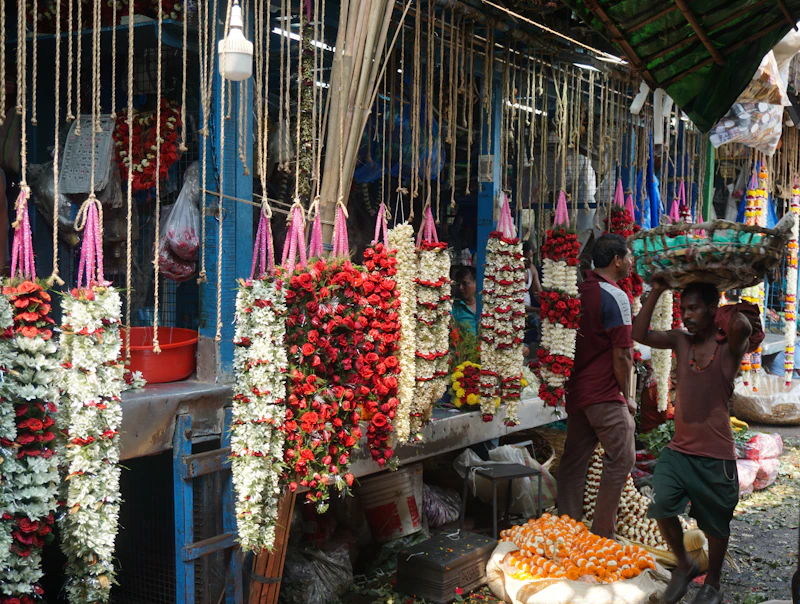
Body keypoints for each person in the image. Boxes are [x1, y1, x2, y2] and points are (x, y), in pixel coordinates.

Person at [633, 280, 762, 604]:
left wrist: (728, 300)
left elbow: (743, 326)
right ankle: (684, 564)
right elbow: (639, 333)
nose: (686, 315)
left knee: (716, 526)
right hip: (679, 451)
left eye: (694, 308)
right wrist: (658, 291)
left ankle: (712, 583)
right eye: (683, 308)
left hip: (716, 454)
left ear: (712, 310)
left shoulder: (728, 348)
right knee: (661, 503)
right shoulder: (681, 341)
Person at [557, 233, 635, 539]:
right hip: (603, 393)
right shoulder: (615, 296)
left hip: (578, 391)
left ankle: (566, 526)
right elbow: (623, 355)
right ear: (616, 261)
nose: (631, 262)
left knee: (573, 461)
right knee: (622, 456)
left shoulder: (580, 290)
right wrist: (628, 397)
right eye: (628, 257)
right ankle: (602, 534)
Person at [452, 265, 478, 336]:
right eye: (458, 284)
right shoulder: (454, 307)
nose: (461, 287)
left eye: (465, 284)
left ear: (476, 284)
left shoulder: (486, 303)